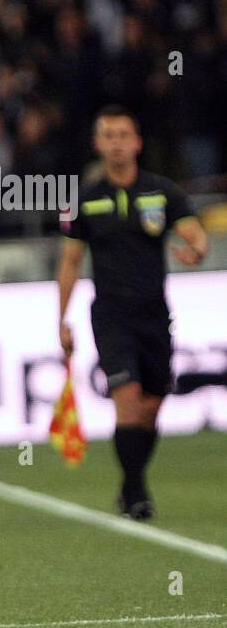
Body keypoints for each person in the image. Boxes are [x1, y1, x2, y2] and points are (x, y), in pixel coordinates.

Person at [57, 105, 208, 519]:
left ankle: (129, 483)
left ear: (137, 142)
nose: (117, 143)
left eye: (124, 135)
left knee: (152, 405)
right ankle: (138, 492)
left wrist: (196, 249)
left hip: (155, 316)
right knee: (127, 398)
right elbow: (70, 261)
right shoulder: (84, 200)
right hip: (111, 316)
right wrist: (62, 318)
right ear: (98, 143)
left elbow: (194, 232)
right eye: (108, 135)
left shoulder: (161, 192)